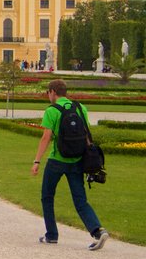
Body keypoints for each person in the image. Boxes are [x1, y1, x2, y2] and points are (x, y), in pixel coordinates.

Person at [32, 79, 108, 249]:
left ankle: (51, 235)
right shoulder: (81, 108)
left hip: (57, 160)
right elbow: (87, 134)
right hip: (77, 161)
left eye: (48, 93)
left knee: (47, 196)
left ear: (52, 92)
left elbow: (46, 137)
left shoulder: (52, 110)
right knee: (80, 200)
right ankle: (98, 230)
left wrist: (37, 161)